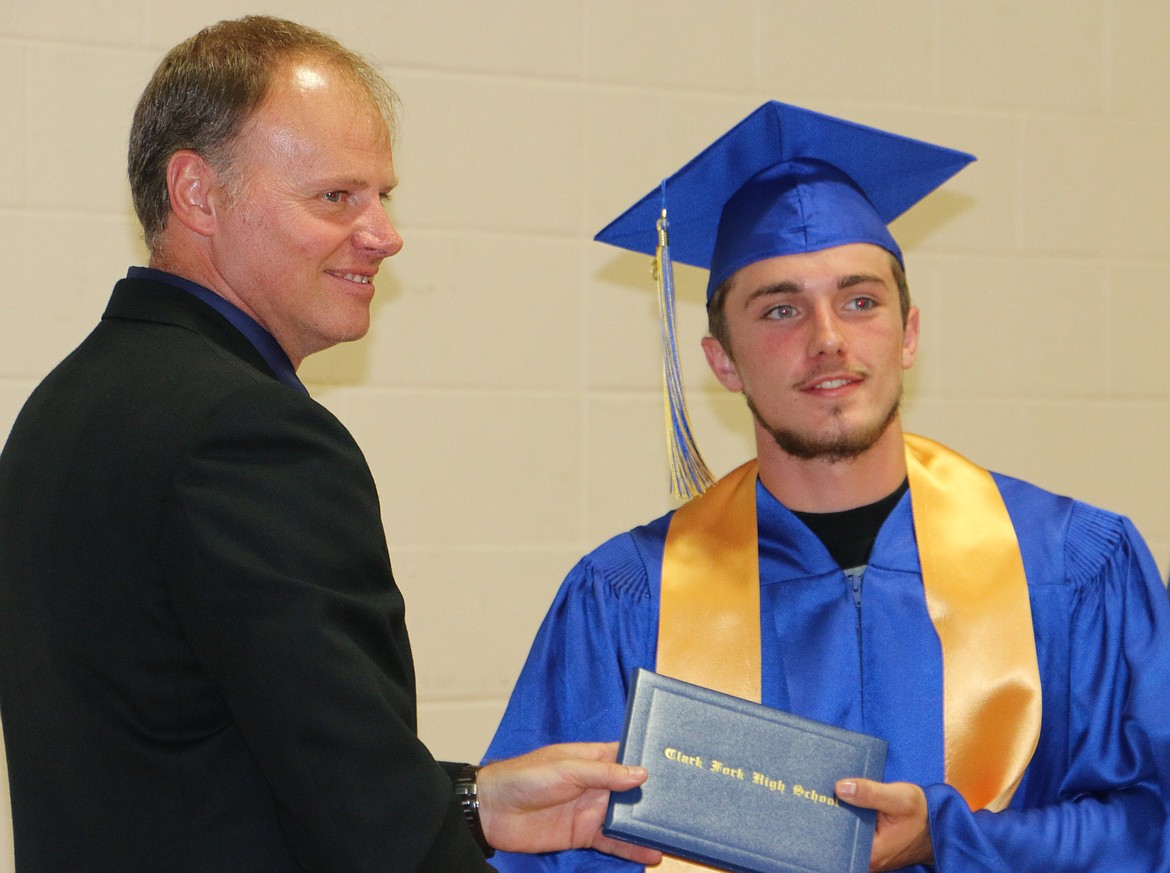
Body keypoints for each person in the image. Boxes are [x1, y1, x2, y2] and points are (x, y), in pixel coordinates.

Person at [0, 16, 662, 873]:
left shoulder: (61, 410)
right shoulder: (250, 436)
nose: (384, 234)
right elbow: (367, 829)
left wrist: (470, 801)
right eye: (336, 197)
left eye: (383, 195)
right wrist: (427, 829)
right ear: (197, 194)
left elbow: (215, 758)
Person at [483, 102, 1170, 872]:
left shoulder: (1073, 565)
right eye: (780, 308)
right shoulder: (625, 598)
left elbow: (1154, 826)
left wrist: (953, 836)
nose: (828, 338)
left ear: (909, 332)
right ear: (723, 362)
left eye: (860, 300)